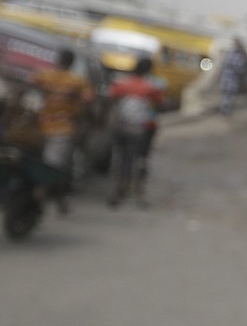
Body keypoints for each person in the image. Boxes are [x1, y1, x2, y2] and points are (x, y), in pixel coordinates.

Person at [31, 49, 93, 211]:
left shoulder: (44, 75)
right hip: (62, 128)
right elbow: (88, 101)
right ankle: (45, 192)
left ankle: (46, 193)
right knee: (54, 165)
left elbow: (28, 87)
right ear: (72, 63)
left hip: (38, 126)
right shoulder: (77, 82)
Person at [107, 57, 166, 207]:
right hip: (142, 129)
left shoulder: (122, 84)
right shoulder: (152, 87)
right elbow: (160, 103)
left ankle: (118, 190)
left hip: (121, 127)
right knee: (139, 160)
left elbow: (111, 96)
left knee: (120, 158)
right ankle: (137, 190)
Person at [218, 38, 247, 116]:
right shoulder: (238, 56)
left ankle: (224, 110)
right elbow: (240, 68)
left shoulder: (229, 54)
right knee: (228, 96)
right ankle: (225, 112)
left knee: (226, 96)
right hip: (232, 80)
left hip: (226, 79)